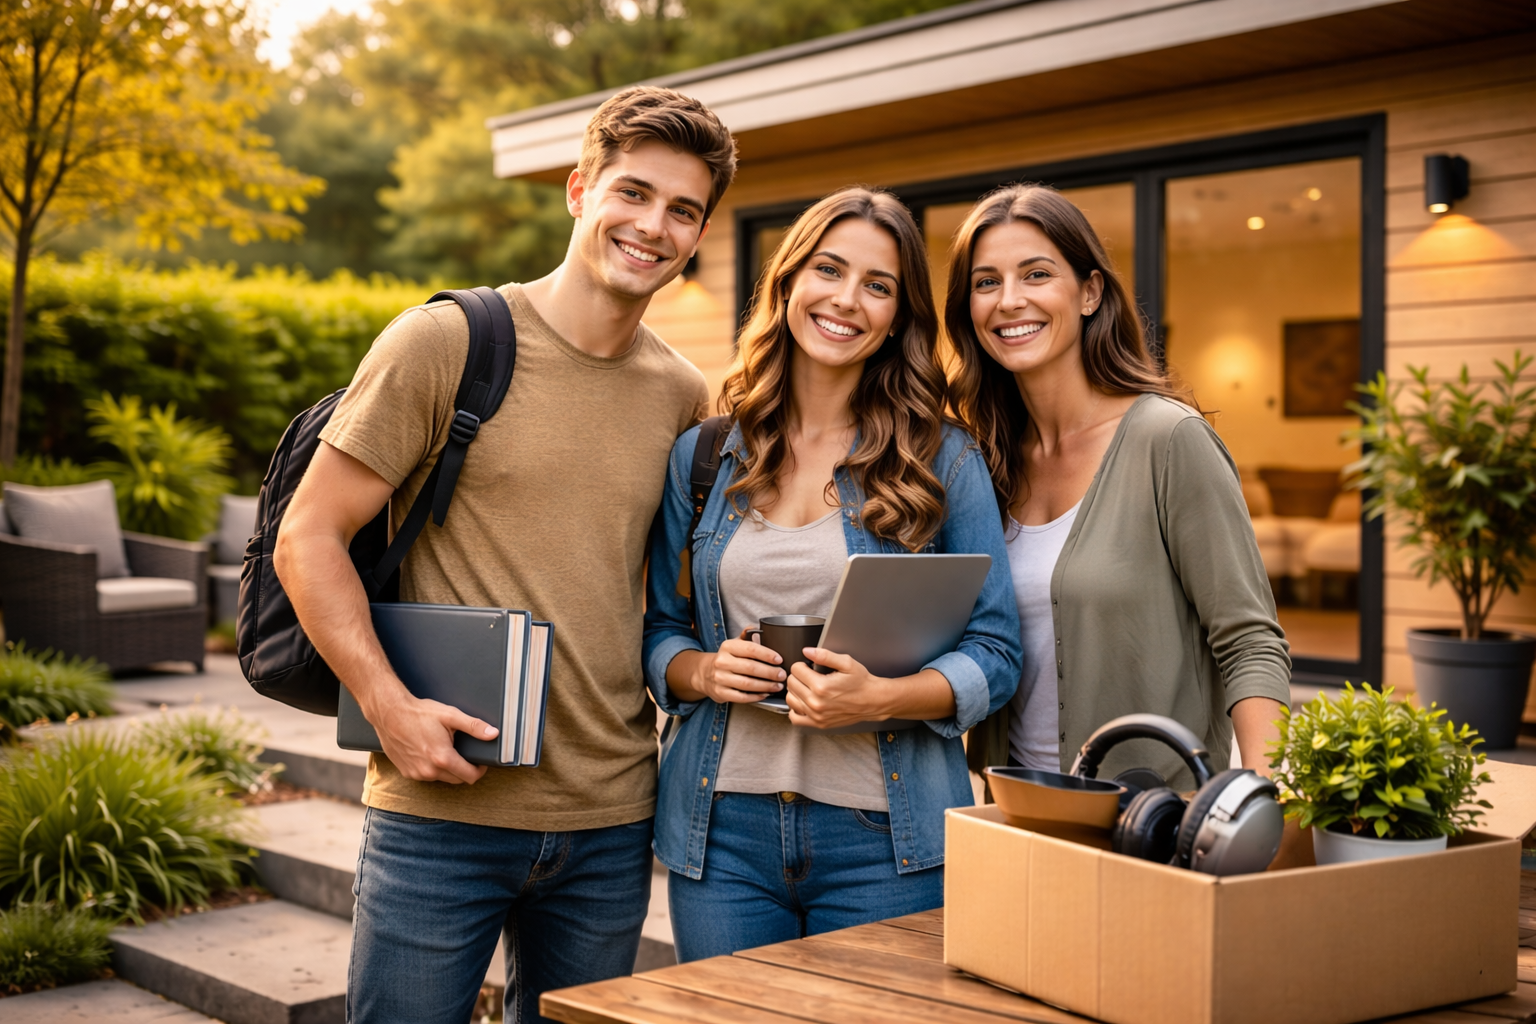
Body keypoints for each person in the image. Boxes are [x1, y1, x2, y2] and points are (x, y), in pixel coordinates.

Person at [272, 86, 736, 1024]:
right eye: (633, 193)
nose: (654, 227)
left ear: (698, 236)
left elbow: (671, 592)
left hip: (609, 819)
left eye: (683, 211)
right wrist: (386, 707)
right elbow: (307, 535)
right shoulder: (445, 342)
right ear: (578, 190)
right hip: (439, 809)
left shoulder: (685, 396)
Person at [643, 186, 1023, 961]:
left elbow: (997, 650)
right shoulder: (705, 456)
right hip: (723, 839)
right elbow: (658, 634)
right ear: (788, 285)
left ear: (897, 315)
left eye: (877, 286)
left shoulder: (943, 459)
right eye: (829, 269)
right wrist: (705, 671)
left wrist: (883, 697)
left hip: (888, 842)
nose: (847, 300)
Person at [945, 184, 1290, 791]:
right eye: (986, 282)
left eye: (1036, 274)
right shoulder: (983, 462)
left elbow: (1249, 641)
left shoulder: (1168, 440)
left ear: (1090, 292)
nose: (1009, 300)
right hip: (1017, 813)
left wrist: (1260, 800)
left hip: (1151, 819)